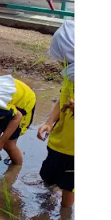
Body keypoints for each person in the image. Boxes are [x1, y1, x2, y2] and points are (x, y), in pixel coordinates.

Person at [37, 20, 74, 208]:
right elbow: (62, 99)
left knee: (69, 187)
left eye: (61, 55)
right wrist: (49, 122)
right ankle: (45, 207)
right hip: (58, 141)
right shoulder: (70, 75)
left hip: (74, 148)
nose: (59, 60)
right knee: (48, 175)